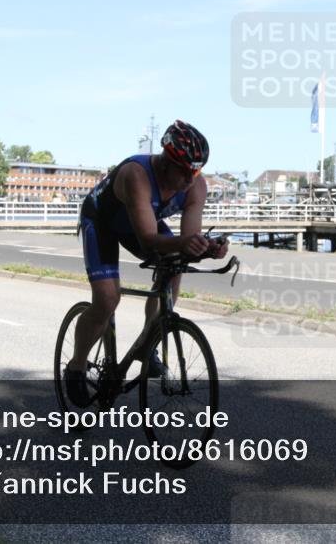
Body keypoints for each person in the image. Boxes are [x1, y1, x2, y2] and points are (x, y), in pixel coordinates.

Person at [65, 120, 228, 406]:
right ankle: (76, 366)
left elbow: (189, 239)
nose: (192, 179)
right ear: (167, 162)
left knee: (176, 265)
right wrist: (185, 244)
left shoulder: (195, 187)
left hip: (139, 223)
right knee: (107, 299)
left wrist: (207, 248)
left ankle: (147, 343)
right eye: (186, 171)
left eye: (197, 171)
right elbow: (149, 238)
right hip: (102, 222)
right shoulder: (136, 175)